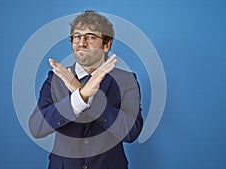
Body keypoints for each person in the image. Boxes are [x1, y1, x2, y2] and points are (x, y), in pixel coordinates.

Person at [29, 10, 143, 169]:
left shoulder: (126, 80)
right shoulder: (55, 79)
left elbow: (131, 132)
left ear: (107, 44)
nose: (81, 42)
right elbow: (37, 127)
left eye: (90, 37)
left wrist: (88, 98)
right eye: (77, 36)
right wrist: (79, 98)